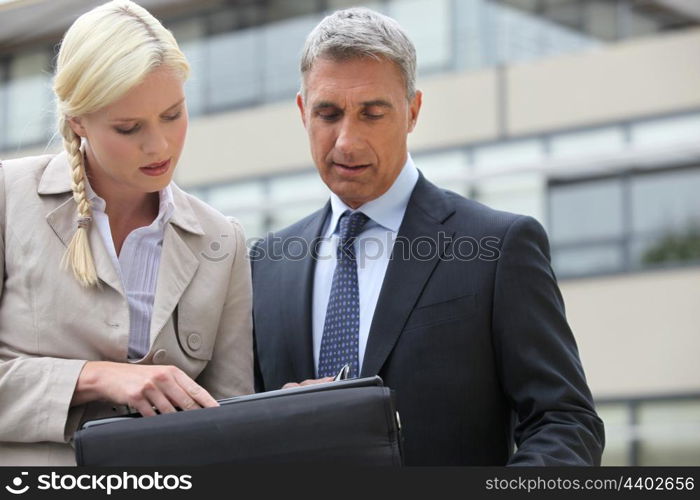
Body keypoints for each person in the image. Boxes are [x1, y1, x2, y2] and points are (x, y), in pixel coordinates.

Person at [251, 7, 604, 465]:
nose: (346, 141)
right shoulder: (266, 265)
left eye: (372, 114)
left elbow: (566, 422)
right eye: (328, 113)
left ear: (413, 111)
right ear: (303, 113)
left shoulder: (498, 247)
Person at [0, 0, 252, 466]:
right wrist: (94, 378)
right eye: (128, 127)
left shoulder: (224, 241)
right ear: (78, 121)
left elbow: (230, 424)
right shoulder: (7, 200)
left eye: (173, 115)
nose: (158, 146)